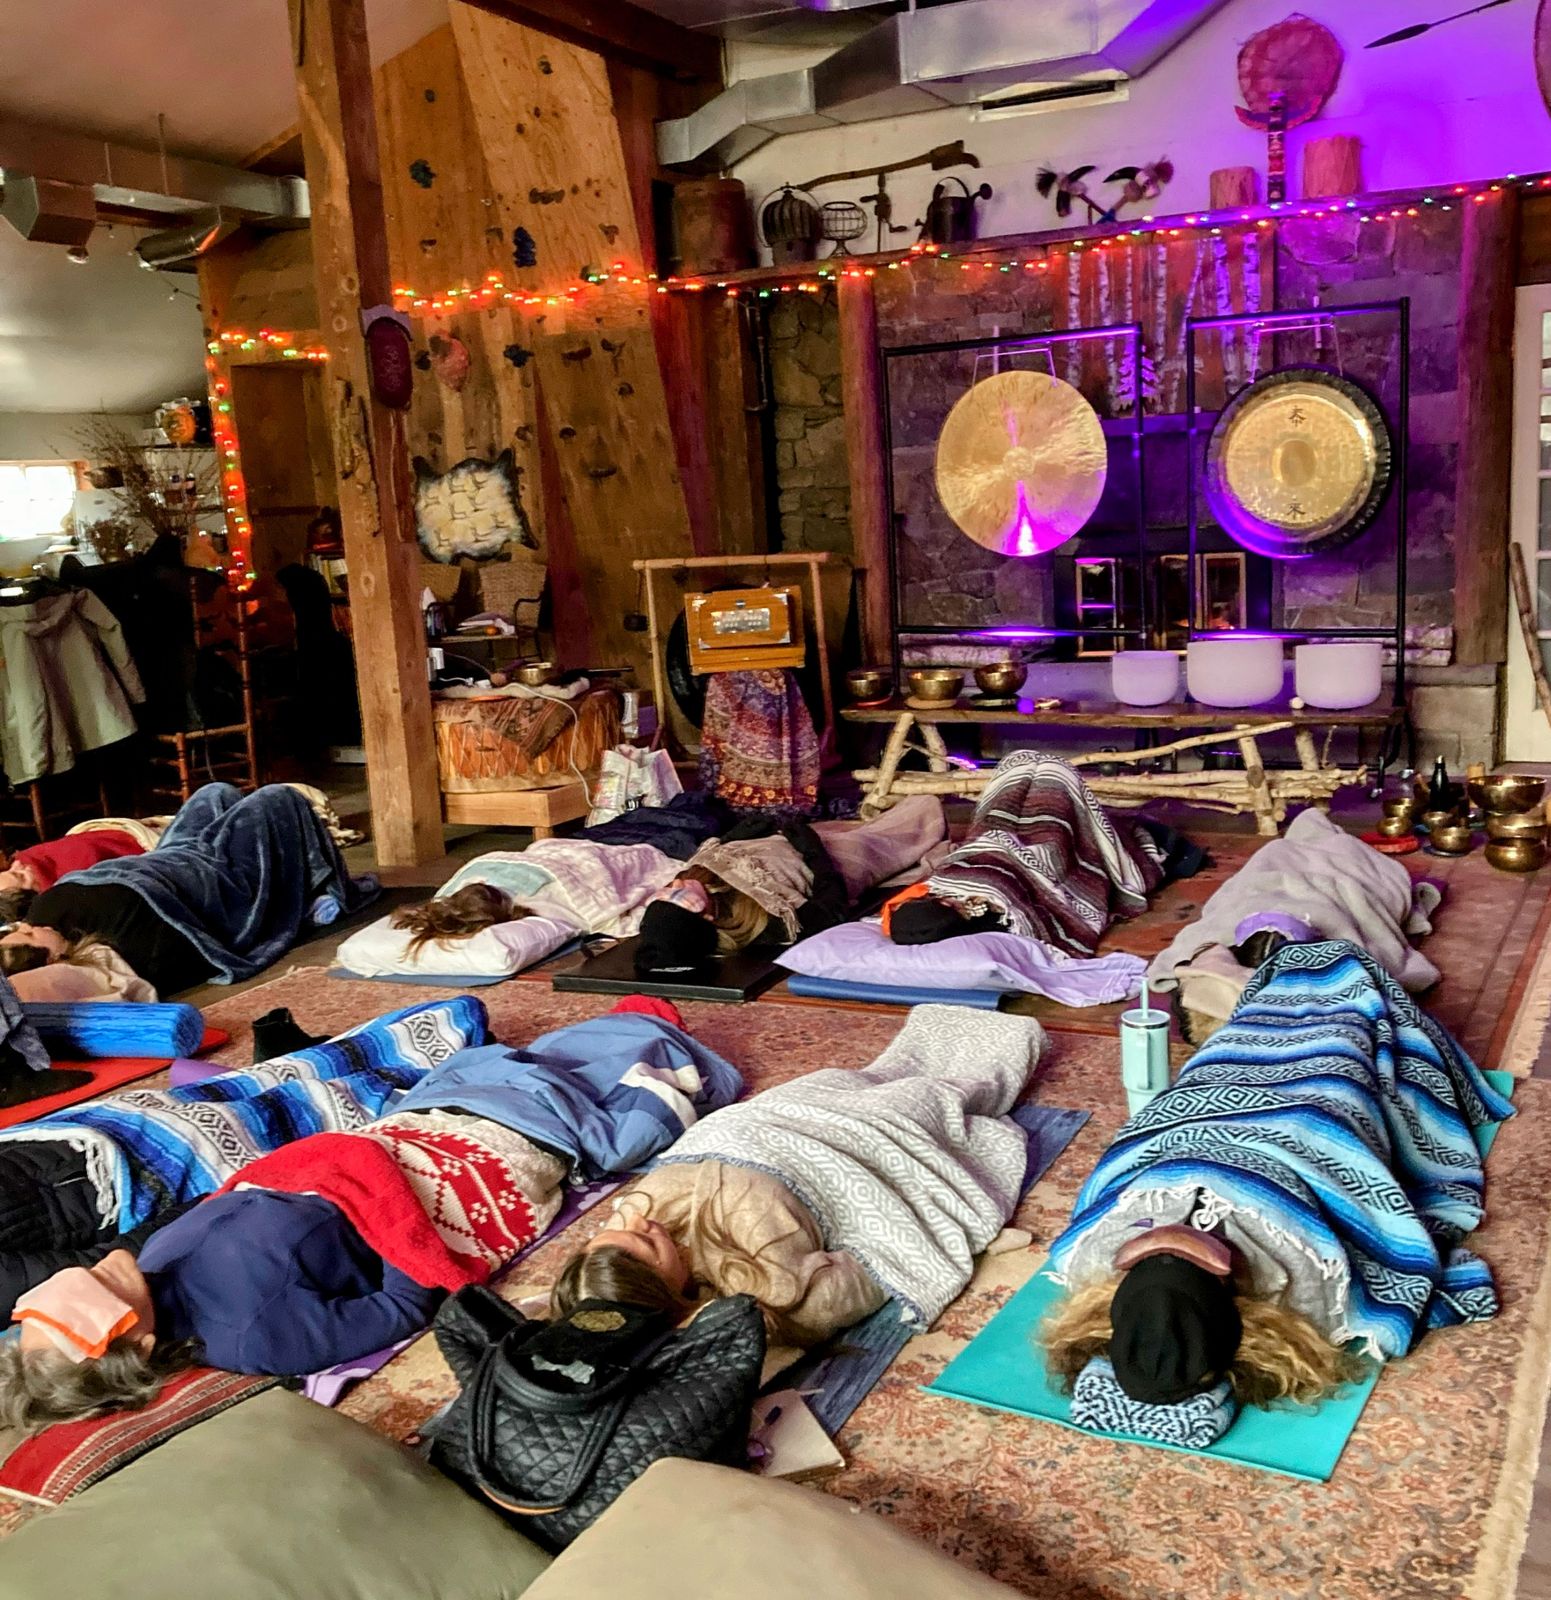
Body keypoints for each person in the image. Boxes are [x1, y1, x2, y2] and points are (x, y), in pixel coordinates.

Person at [0, 998, 742, 1432]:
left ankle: (603, 1033)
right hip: (433, 1183)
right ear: (139, 1344)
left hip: (379, 1145)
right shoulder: (257, 1334)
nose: (99, 1268)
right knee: (590, 1081)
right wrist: (386, 1195)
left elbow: (233, 1197)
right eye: (102, 1289)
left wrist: (336, 1162)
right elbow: (406, 1300)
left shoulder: (148, 1264)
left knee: (480, 1067)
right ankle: (639, 1028)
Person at [1038, 940, 1513, 1411]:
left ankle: (1283, 963)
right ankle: (1334, 970)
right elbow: (1366, 1221)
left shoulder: (1093, 1248)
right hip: (1301, 1120)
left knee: (1234, 1041)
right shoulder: (1311, 1269)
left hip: (1197, 1110)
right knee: (1343, 1032)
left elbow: (1129, 1159)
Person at [551, 1004, 1045, 1354]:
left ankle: (933, 1038)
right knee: (926, 1099)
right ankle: (1002, 1043)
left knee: (854, 1078)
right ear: (672, 1294)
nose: (640, 1223)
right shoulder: (757, 1286)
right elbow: (859, 1279)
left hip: (770, 1123)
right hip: (839, 1155)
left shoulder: (631, 1219)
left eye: (617, 1231)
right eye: (648, 1245)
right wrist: (897, 1233)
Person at [0, 996, 487, 1325]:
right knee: (322, 1110)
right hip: (134, 1177)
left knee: (265, 1079)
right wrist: (214, 1201)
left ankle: (401, 1046)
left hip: (75, 1132)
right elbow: (101, 1269)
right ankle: (434, 1065)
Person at [0, 782, 375, 997]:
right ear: (52, 959)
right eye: (29, 935)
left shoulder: (43, 916)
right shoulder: (107, 956)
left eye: (19, 929)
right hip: (213, 878)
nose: (26, 926)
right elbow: (187, 939)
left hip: (174, 856)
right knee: (278, 799)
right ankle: (326, 890)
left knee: (215, 792)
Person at [880, 752, 1197, 954]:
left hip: (992, 844)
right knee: (1054, 781)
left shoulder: (945, 890)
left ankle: (1030, 776)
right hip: (1042, 857)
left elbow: (967, 859)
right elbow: (1054, 898)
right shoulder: (1001, 918)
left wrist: (995, 847)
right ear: (950, 910)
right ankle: (1053, 780)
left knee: (1014, 780)